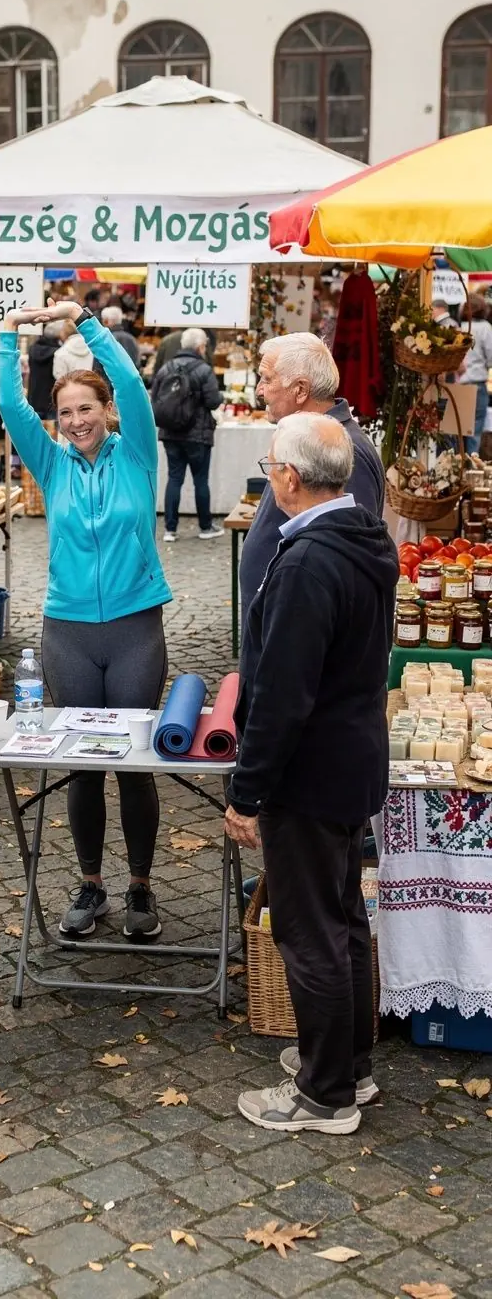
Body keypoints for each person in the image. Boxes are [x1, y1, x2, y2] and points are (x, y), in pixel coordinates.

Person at [225, 413, 398, 1135]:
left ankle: (325, 1094)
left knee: (309, 931)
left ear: (291, 478)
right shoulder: (364, 536)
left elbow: (281, 695)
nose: (269, 480)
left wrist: (247, 790)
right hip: (350, 757)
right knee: (343, 918)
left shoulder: (307, 562)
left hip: (311, 771)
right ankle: (349, 1065)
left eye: (270, 469)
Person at [0, 299, 172, 941]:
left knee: (134, 764)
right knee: (83, 763)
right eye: (66, 413)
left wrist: (84, 320)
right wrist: (8, 335)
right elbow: (12, 406)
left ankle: (140, 887)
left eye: (86, 409)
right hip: (67, 632)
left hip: (134, 630)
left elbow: (130, 381)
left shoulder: (138, 454)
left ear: (107, 410)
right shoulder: (50, 463)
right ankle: (91, 883)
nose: (75, 422)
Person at [240, 334, 385, 620]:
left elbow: (350, 561)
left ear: (300, 390)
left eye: (267, 379)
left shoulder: (340, 448)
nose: (260, 390)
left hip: (297, 626)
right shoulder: (312, 439)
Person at [151, 328, 222, 541]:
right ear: (200, 347)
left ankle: (170, 529)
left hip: (170, 432)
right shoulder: (204, 369)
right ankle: (205, 527)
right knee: (200, 480)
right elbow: (213, 401)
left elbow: (155, 398)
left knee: (174, 478)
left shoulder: (166, 368)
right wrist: (219, 397)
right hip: (197, 433)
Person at [457, 293, 492, 455]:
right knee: (475, 430)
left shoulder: (459, 327)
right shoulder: (485, 328)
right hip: (477, 383)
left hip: (458, 384)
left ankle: (457, 463)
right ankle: (471, 463)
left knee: (458, 429)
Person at [27, 319, 72, 419]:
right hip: (52, 401)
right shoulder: (60, 352)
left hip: (34, 399)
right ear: (59, 335)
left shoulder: (32, 349)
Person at [100, 305, 141, 369]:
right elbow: (137, 363)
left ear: (106, 322)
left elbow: (99, 366)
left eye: (103, 320)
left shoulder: (105, 340)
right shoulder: (132, 338)